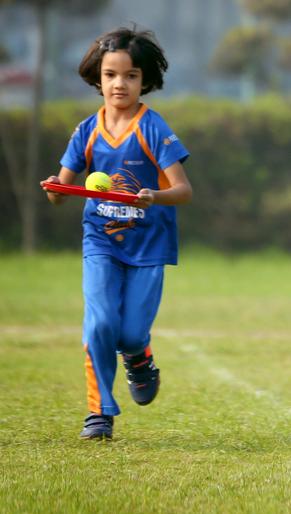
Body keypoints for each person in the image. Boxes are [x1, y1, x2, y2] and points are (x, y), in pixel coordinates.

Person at [41, 26, 192, 440]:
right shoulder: (86, 130)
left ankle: (139, 357)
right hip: (101, 241)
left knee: (127, 334)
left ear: (145, 81)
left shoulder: (153, 127)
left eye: (130, 75)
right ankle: (98, 413)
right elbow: (61, 196)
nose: (119, 84)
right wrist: (56, 187)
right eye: (110, 75)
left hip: (149, 244)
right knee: (100, 323)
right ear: (97, 78)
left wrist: (152, 197)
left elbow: (183, 191)